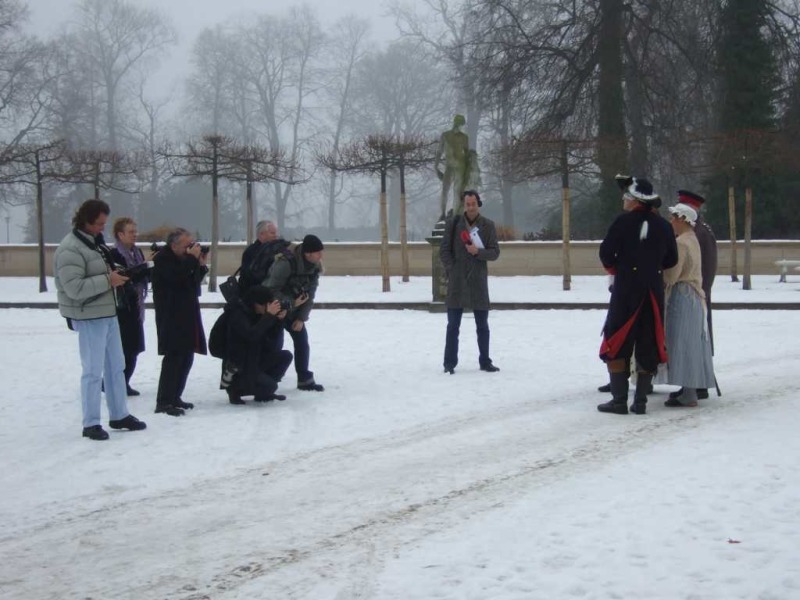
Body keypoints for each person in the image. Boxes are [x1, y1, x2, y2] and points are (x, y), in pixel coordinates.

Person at [54, 199, 147, 440]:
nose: (101, 228)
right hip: (88, 316)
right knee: (93, 371)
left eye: (103, 224)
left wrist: (118, 274)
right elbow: (73, 287)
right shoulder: (70, 248)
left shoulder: (95, 244)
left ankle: (119, 414)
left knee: (116, 367)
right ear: (84, 221)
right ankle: (91, 422)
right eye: (98, 224)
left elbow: (102, 271)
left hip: (108, 312)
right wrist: (109, 280)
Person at [597, 177, 678, 415]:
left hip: (625, 290)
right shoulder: (663, 226)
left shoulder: (622, 222)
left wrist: (619, 269)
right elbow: (671, 259)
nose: (623, 200)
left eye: (626, 197)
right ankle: (640, 400)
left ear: (634, 200)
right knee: (648, 341)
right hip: (652, 290)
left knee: (617, 340)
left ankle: (619, 399)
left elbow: (606, 254)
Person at [440, 189, 501, 374]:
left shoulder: (488, 225)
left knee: (482, 326)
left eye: (474, 204)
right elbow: (444, 251)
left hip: (478, 282)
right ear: (464, 205)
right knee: (453, 326)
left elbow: (495, 252)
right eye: (468, 204)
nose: (471, 207)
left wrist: (478, 252)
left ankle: (485, 361)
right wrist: (452, 269)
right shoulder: (453, 224)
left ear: (478, 204)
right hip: (457, 283)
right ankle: (449, 363)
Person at [662, 203, 717, 407]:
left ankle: (690, 392)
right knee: (691, 341)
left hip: (683, 296)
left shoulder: (682, 243)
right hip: (694, 296)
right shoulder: (692, 239)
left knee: (683, 342)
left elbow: (672, 274)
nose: (671, 222)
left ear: (682, 219)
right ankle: (688, 388)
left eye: (673, 218)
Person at [152, 227, 208, 416]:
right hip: (171, 315)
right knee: (173, 358)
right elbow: (175, 278)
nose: (190, 249)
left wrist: (200, 265)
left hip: (187, 313)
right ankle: (164, 401)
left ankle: (175, 396)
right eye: (187, 245)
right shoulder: (162, 259)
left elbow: (192, 283)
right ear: (174, 245)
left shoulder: (184, 259)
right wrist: (192, 259)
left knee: (186, 357)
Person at [264, 234, 325, 391]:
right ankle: (268, 381)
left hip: (294, 311)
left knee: (302, 342)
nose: (321, 256)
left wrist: (301, 318)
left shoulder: (314, 267)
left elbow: (310, 295)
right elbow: (271, 289)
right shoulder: (285, 263)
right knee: (275, 345)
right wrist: (288, 304)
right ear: (308, 253)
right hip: (275, 308)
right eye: (318, 252)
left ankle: (304, 379)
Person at [223, 285, 294, 405]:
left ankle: (263, 392)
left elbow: (270, 342)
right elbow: (251, 335)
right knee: (271, 386)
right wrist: (268, 316)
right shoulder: (237, 314)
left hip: (254, 359)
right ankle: (235, 390)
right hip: (238, 367)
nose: (268, 308)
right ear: (256, 304)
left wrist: (278, 321)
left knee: (285, 356)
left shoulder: (257, 314)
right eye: (267, 304)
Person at [109, 217, 151, 396]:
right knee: (124, 348)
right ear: (120, 234)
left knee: (135, 347)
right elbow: (123, 277)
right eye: (131, 232)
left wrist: (147, 268)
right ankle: (115, 382)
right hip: (121, 306)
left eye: (135, 231)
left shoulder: (137, 252)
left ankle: (123, 381)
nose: (135, 235)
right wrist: (143, 268)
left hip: (135, 305)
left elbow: (140, 276)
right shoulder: (114, 254)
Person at [435, 114, 471, 219]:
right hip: (450, 166)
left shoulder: (464, 138)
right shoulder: (445, 135)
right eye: (459, 124)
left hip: (460, 167)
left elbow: (467, 155)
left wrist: (468, 171)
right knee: (445, 190)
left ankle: (457, 213)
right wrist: (436, 166)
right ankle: (443, 213)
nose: (459, 126)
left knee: (458, 191)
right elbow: (439, 151)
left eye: (461, 125)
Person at [238, 220, 288, 294]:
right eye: (272, 233)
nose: (276, 236)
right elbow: (249, 276)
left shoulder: (279, 249)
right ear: (261, 234)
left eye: (276, 233)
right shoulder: (251, 251)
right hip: (255, 294)